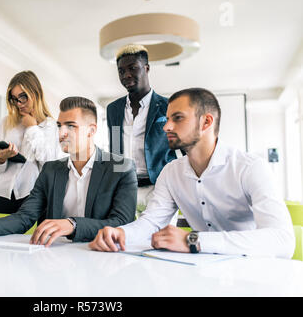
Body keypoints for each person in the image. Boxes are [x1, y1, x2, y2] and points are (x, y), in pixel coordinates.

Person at [90, 88, 295, 258]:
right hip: (199, 271)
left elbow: (283, 240)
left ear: (206, 122)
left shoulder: (250, 167)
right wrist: (120, 233)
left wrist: (193, 240)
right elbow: (151, 222)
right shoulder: (170, 172)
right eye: (167, 118)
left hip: (249, 270)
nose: (166, 127)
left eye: (177, 118)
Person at [0, 96, 138, 246]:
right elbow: (25, 216)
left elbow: (122, 223)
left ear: (91, 130)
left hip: (101, 257)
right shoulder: (51, 169)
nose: (62, 133)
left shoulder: (122, 168)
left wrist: (73, 225)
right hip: (53, 259)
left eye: (71, 126)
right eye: (59, 126)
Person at [106, 44, 178, 212]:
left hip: (160, 188)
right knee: (125, 236)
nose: (127, 75)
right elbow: (115, 148)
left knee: (160, 237)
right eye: (121, 71)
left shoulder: (168, 106)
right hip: (125, 188)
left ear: (146, 68)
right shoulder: (113, 109)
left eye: (132, 68)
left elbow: (182, 147)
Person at [0, 71, 60, 216]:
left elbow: (49, 162)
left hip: (32, 195)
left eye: (23, 97)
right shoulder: (6, 122)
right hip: (3, 194)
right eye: (14, 99)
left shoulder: (50, 125)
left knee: (29, 239)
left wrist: (32, 128)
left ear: (35, 93)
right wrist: (1, 158)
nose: (19, 103)